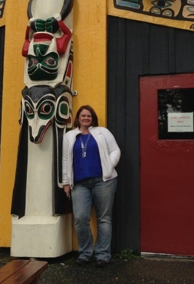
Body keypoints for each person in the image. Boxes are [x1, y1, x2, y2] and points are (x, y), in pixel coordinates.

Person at [62, 105, 121, 267]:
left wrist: (109, 165)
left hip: (103, 181)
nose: (86, 118)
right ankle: (85, 253)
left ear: (92, 118)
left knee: (104, 219)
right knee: (80, 218)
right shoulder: (69, 136)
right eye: (83, 115)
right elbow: (66, 160)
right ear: (78, 118)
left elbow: (115, 150)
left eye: (89, 116)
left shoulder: (103, 132)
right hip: (80, 183)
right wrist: (66, 182)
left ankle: (102, 255)